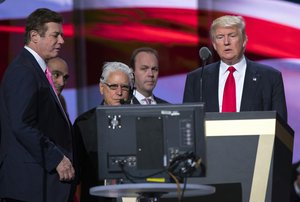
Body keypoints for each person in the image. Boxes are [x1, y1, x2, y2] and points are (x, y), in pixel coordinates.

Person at [0, 8, 76, 202]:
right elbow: (22, 125)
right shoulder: (23, 71)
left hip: (41, 186)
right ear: (34, 36)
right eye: (55, 35)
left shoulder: (34, 69)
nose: (61, 41)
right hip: (30, 188)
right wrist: (56, 158)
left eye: (62, 35)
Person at [183, 15, 287, 122]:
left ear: (244, 40)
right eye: (220, 37)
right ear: (214, 44)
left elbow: (280, 129)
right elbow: (187, 124)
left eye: (232, 36)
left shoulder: (270, 78)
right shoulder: (197, 79)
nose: (226, 42)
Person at [74, 62, 133, 202]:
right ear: (102, 88)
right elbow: (76, 172)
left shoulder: (139, 122)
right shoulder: (84, 124)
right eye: (113, 86)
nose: (119, 92)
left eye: (124, 87)